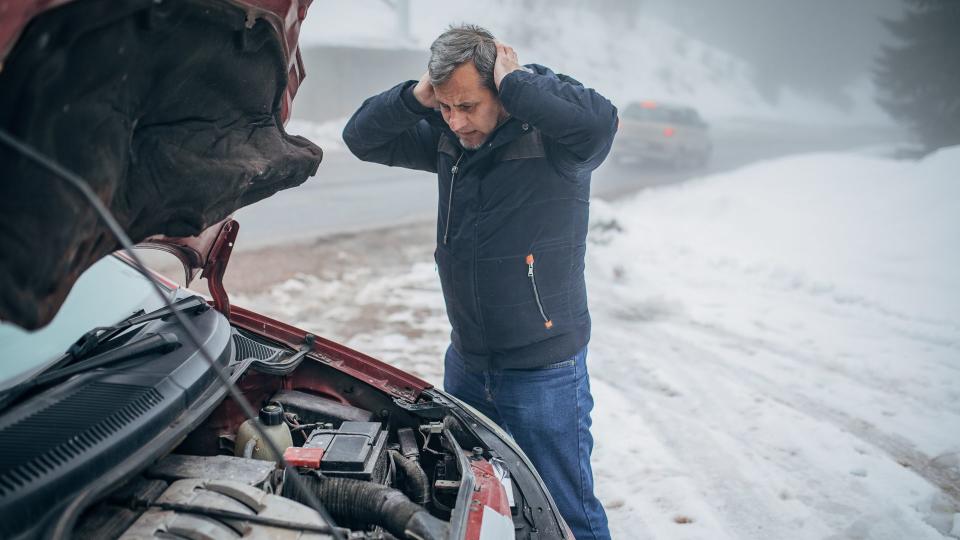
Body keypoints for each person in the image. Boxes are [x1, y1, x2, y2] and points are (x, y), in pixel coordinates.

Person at [342, 24, 616, 540]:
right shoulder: (452, 140)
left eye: (467, 105)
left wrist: (519, 84)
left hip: (543, 371)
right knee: (474, 501)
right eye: (445, 107)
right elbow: (360, 138)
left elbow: (601, 123)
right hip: (467, 363)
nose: (455, 120)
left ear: (501, 89)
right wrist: (415, 97)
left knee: (568, 515)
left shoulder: (555, 142)